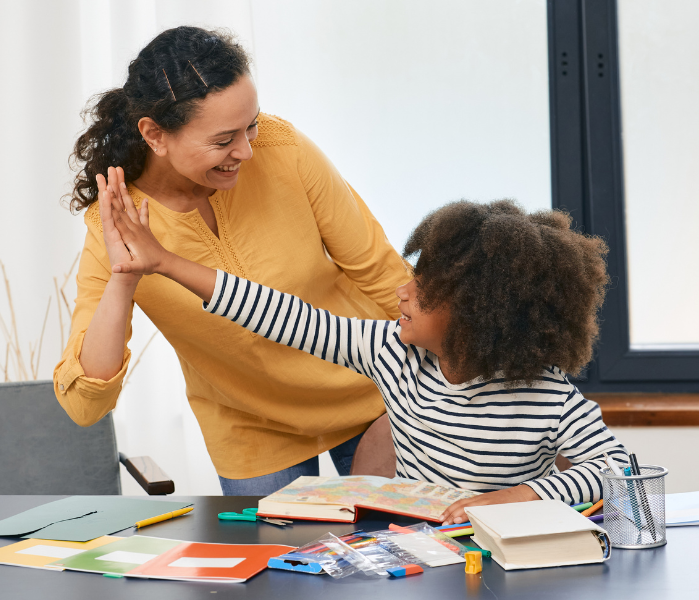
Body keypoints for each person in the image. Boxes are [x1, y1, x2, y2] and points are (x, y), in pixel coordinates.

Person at [103, 193, 630, 522]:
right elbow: (282, 314)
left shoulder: (546, 394)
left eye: (423, 289)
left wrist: (514, 498)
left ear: (476, 314)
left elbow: (618, 468)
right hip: (421, 559)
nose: (403, 291)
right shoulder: (393, 354)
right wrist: (167, 262)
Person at [53, 26, 412, 495]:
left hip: (371, 395)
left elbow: (383, 272)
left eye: (251, 125)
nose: (245, 150)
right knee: (275, 568)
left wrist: (439, 388)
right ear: (154, 134)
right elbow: (85, 404)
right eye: (223, 139)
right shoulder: (116, 223)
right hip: (252, 429)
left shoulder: (282, 149)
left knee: (403, 555)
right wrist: (123, 279)